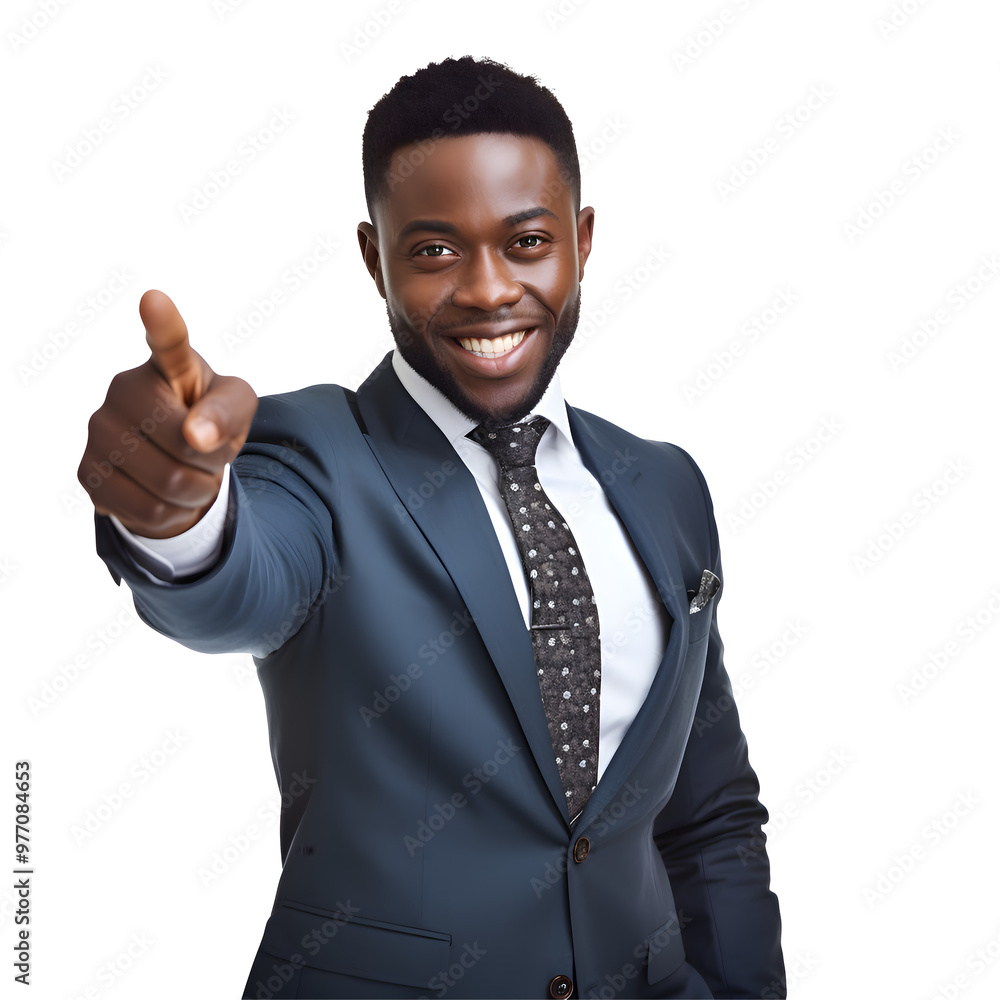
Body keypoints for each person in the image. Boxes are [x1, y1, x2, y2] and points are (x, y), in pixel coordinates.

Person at [79, 55, 784, 999]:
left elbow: (711, 817)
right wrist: (179, 518)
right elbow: (244, 581)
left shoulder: (664, 487)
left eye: (528, 242)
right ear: (376, 258)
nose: (491, 290)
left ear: (580, 239)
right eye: (436, 251)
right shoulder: (317, 455)